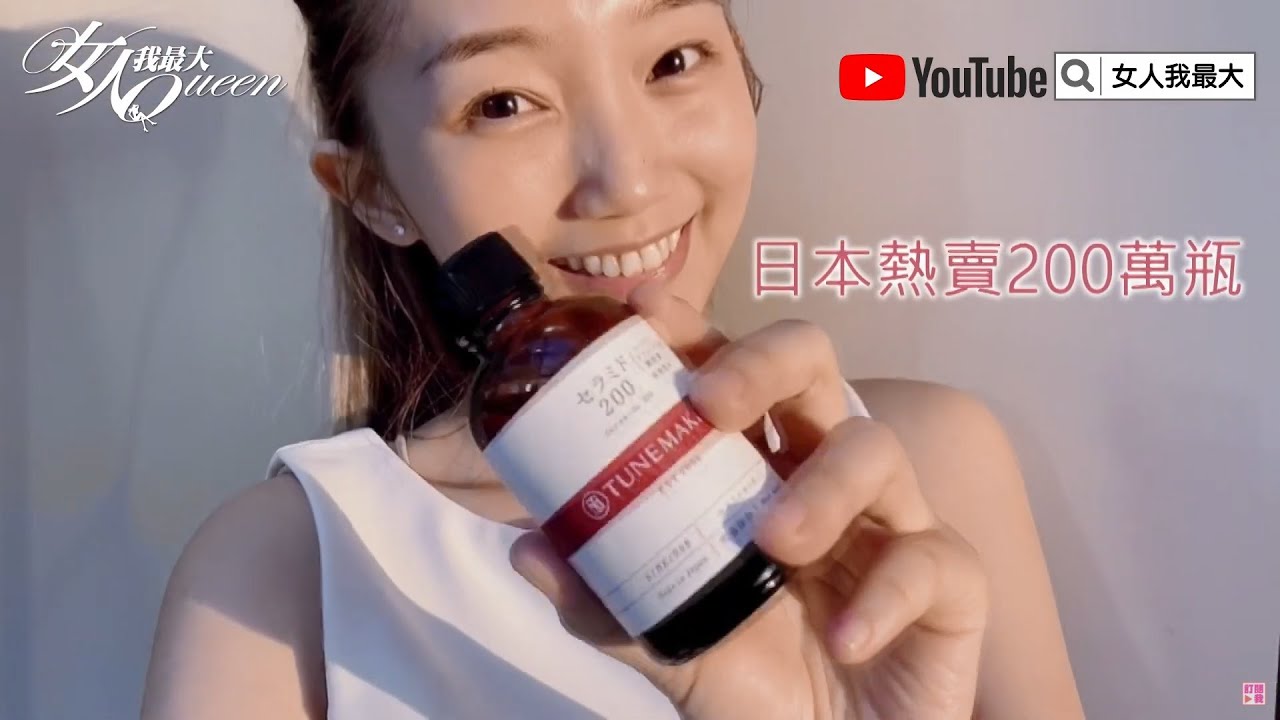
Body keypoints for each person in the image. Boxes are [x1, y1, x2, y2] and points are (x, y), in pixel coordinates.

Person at [141, 1, 1085, 718]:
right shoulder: (288, 570)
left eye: (674, 59)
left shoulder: (919, 473)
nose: (628, 180)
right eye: (503, 103)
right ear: (374, 190)